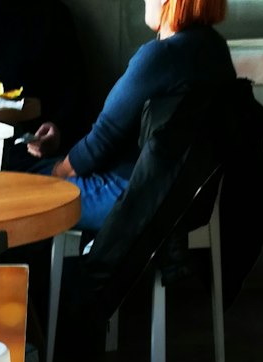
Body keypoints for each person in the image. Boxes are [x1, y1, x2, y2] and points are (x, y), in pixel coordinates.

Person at [30, 0, 234, 233]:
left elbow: (101, 139)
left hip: (134, 198)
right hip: (192, 199)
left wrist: (58, 172)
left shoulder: (160, 56)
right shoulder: (215, 49)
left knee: (26, 182)